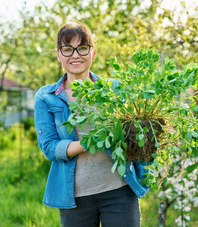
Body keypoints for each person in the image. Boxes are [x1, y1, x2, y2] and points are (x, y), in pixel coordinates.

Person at [34, 22, 150, 227]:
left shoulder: (115, 89)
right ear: (58, 55)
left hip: (119, 190)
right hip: (75, 197)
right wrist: (89, 142)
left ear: (93, 53)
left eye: (83, 48)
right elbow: (49, 147)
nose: (75, 55)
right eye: (67, 49)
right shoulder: (47, 97)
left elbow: (133, 133)